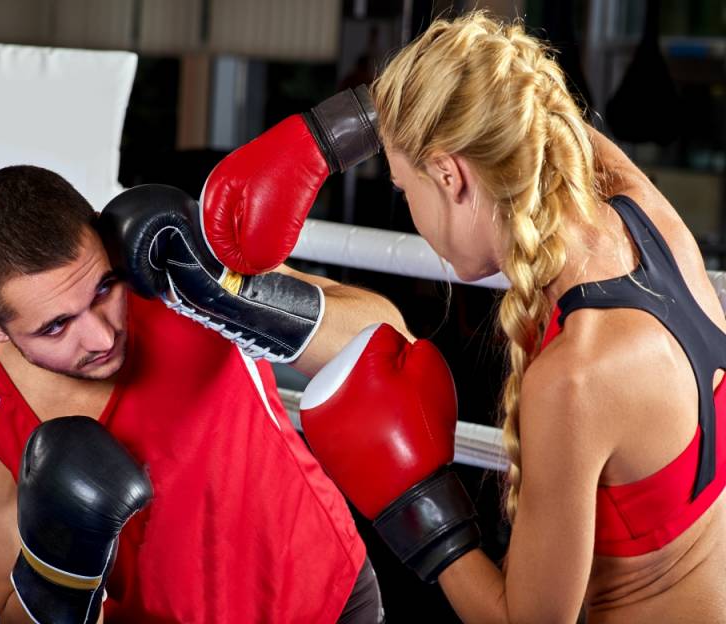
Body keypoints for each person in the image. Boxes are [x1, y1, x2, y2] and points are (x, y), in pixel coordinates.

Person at [212, 11, 726, 624]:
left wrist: (418, 501)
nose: (413, 216)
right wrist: (337, 132)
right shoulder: (647, 217)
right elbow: (530, 105)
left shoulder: (576, 377)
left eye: (407, 191)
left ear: (451, 176)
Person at [0, 96, 407, 624]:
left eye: (103, 288)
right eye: (56, 326)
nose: (100, 335)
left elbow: (386, 338)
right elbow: (9, 605)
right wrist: (58, 573)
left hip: (328, 596)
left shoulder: (167, 262)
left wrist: (234, 296)